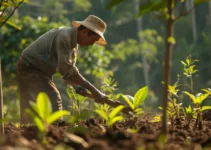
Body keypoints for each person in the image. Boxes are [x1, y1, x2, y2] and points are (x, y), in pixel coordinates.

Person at [16, 15, 108, 124]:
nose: (92, 44)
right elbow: (65, 68)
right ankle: (54, 130)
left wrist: (76, 86)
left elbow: (67, 72)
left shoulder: (73, 46)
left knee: (29, 106)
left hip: (34, 68)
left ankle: (29, 135)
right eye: (93, 40)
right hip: (30, 67)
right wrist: (95, 91)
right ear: (85, 32)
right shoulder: (65, 37)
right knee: (52, 98)